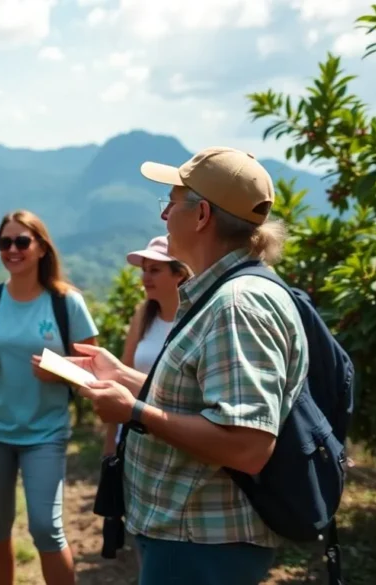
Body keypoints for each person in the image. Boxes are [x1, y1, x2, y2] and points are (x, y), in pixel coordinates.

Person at [69, 147, 307, 585]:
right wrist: (123, 377)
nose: (164, 218)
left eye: (171, 204)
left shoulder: (237, 305)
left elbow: (247, 444)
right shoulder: (222, 295)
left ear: (201, 216)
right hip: (190, 534)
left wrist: (133, 412)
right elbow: (199, 398)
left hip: (205, 542)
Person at [0, 210, 99, 585]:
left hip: (45, 432)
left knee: (46, 528)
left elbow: (93, 367)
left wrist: (58, 371)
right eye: (5, 242)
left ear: (41, 248)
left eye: (22, 241)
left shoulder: (66, 304)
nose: (12, 249)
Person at [102, 235, 192, 458]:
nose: (145, 278)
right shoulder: (143, 316)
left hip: (177, 434)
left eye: (155, 270)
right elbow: (122, 373)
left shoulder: (196, 319)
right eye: (144, 270)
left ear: (179, 274)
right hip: (135, 432)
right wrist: (111, 439)